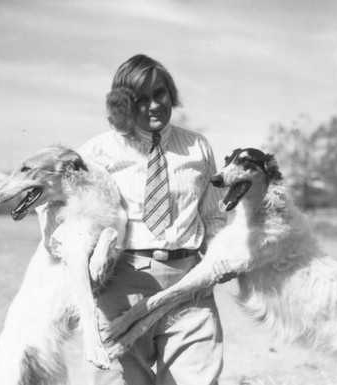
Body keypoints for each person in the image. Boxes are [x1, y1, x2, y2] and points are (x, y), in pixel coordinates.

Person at [77, 54, 226, 385]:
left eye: (159, 93)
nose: (154, 105)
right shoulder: (98, 151)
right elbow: (67, 215)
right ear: (123, 106)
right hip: (120, 285)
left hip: (189, 285)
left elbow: (214, 218)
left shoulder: (197, 147)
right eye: (140, 100)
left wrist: (220, 262)